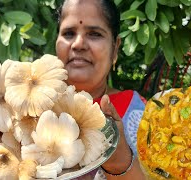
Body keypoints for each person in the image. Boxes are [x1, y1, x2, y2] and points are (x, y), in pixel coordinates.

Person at [55, 0, 146, 179]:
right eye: (68, 33)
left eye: (94, 34)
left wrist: (119, 162)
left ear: (115, 48)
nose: (78, 44)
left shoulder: (140, 113)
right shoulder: (28, 111)